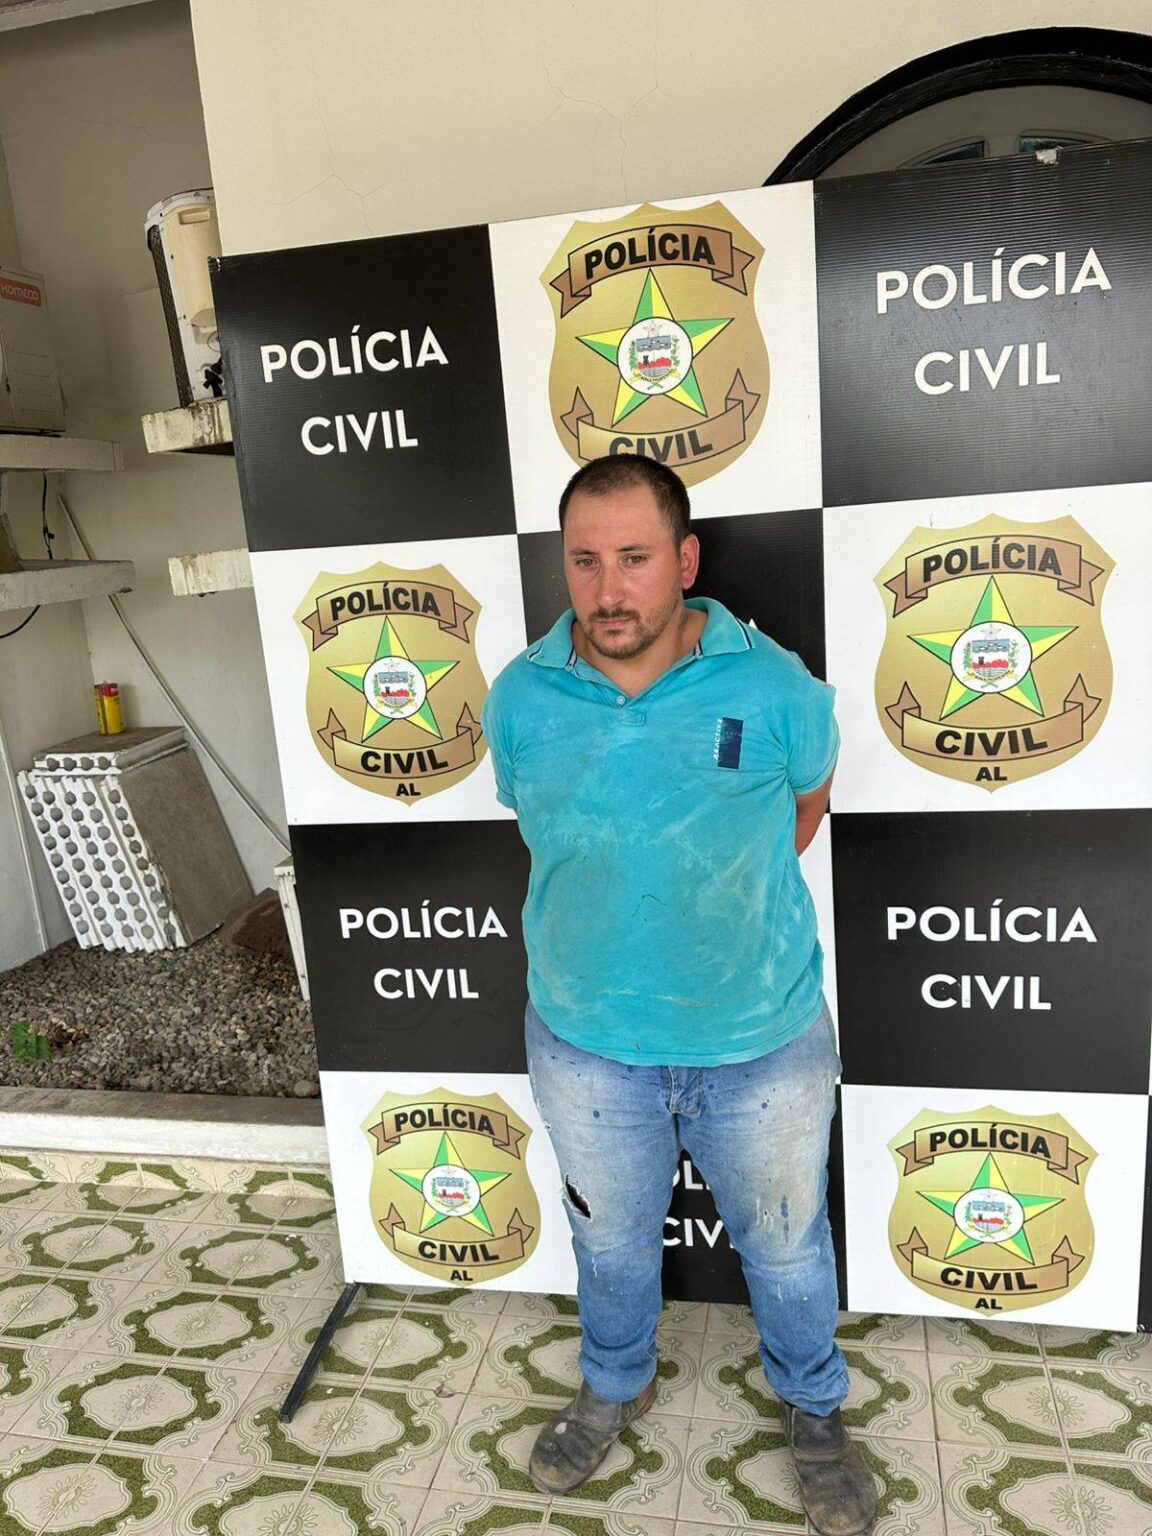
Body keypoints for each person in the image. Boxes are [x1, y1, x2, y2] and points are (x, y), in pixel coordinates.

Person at [481, 454, 875, 1536]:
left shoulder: (777, 688)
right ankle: (616, 1383)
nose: (608, 590)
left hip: (761, 1040)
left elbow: (804, 807)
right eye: (585, 562)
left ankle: (813, 1408)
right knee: (609, 1244)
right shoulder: (520, 698)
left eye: (636, 559)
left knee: (786, 1246)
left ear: (686, 561)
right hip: (586, 1043)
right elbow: (542, 825)